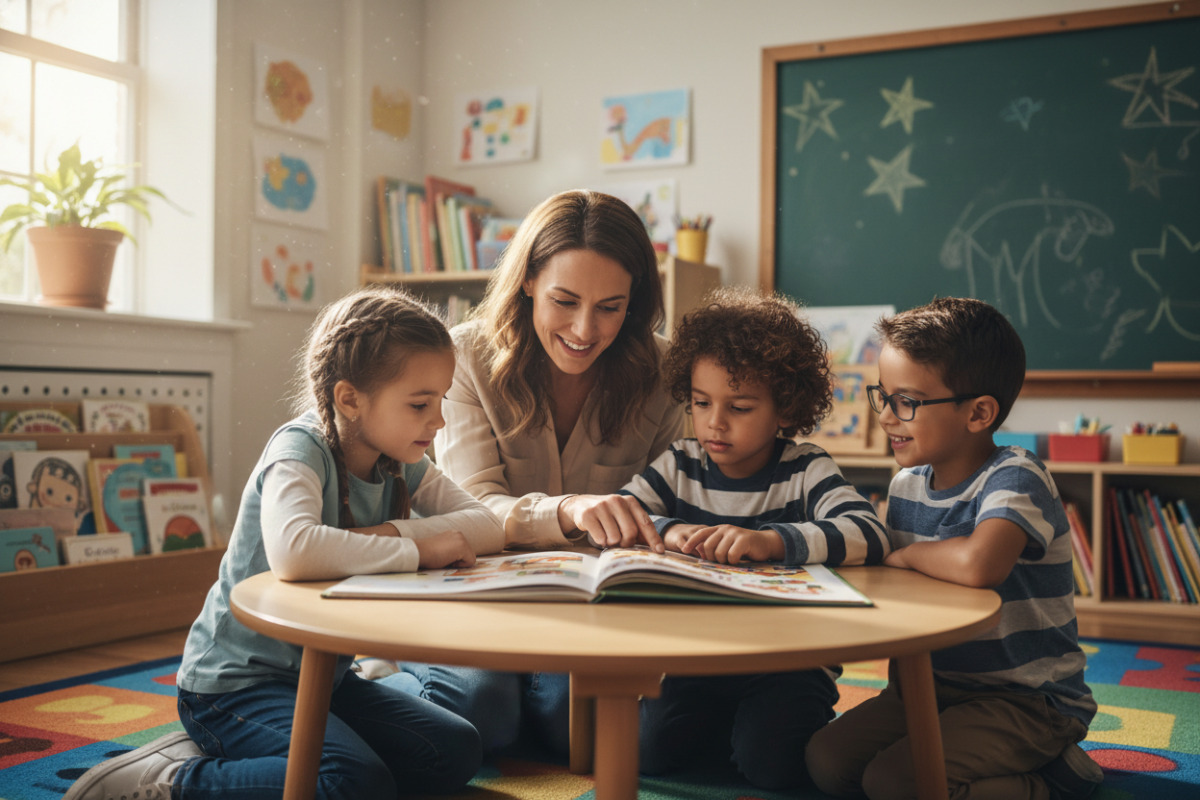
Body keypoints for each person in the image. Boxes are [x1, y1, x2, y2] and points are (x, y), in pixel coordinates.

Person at [64, 286, 505, 800]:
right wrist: (418, 549)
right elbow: (296, 552)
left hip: (327, 680)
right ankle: (171, 779)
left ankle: (315, 769)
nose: (438, 421)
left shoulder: (403, 459)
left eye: (440, 400)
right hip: (232, 686)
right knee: (351, 781)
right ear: (349, 399)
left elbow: (486, 523)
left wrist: (391, 534)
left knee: (454, 749)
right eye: (419, 404)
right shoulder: (300, 448)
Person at [382, 189, 685, 759]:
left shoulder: (664, 371)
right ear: (526, 282)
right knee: (481, 716)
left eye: (611, 307)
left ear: (636, 301)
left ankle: (527, 691)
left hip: (591, 610)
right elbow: (474, 509)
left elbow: (673, 502)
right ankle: (382, 669)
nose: (585, 329)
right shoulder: (463, 357)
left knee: (625, 736)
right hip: (476, 588)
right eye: (564, 301)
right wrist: (568, 510)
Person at [588, 285, 889, 789]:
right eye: (702, 403)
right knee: (647, 753)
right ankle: (732, 732)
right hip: (696, 659)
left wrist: (773, 543)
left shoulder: (804, 468)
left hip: (790, 665)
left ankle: (751, 735)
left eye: (740, 407)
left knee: (774, 767)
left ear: (786, 410)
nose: (715, 422)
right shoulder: (682, 463)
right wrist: (672, 528)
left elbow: (868, 532)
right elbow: (623, 515)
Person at [805, 296, 1102, 800]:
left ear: (979, 413)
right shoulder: (905, 485)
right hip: (926, 688)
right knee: (825, 762)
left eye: (908, 402)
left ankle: (1052, 781)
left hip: (1025, 700)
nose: (888, 417)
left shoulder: (1016, 474)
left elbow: (979, 563)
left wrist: (904, 555)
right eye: (884, 396)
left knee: (894, 782)